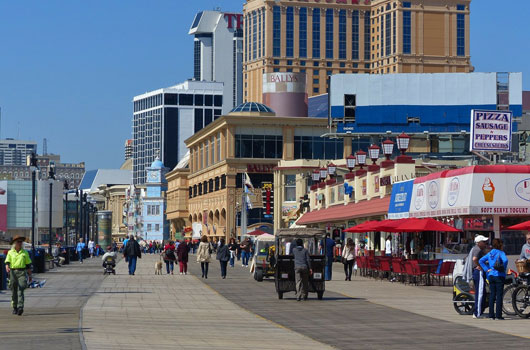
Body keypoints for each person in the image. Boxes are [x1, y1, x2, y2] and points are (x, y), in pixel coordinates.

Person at [479, 238, 508, 320]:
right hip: (499, 275)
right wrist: (503, 268)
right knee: (499, 296)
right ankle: (498, 315)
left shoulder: (490, 253)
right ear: (500, 245)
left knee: (492, 295)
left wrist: (486, 269)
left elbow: (481, 260)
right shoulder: (501, 252)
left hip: (491, 275)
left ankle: (491, 315)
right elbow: (505, 260)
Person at [5, 235, 32, 315]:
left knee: (21, 288)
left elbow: (28, 265)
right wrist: (7, 266)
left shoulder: (25, 252)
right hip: (13, 272)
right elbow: (7, 261)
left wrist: (30, 275)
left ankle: (20, 307)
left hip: (22, 272)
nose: (20, 243)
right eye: (18, 242)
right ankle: (14, 307)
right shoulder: (10, 252)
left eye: (21, 242)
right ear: (14, 243)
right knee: (13, 290)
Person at [463, 235, 488, 318]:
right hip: (478, 272)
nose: (485, 243)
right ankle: (477, 313)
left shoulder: (475, 248)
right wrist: (480, 266)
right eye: (483, 242)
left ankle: (478, 311)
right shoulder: (478, 249)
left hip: (476, 272)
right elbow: (474, 259)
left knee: (480, 292)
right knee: (480, 292)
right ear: (479, 242)